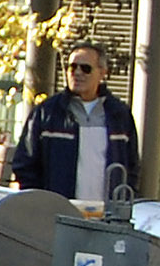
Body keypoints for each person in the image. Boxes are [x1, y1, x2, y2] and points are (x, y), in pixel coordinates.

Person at [10, 43, 140, 204]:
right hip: (59, 214)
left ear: (102, 73)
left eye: (85, 68)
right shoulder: (47, 113)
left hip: (107, 216)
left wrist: (123, 202)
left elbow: (132, 167)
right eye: (72, 67)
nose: (77, 73)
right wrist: (41, 203)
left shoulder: (119, 115)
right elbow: (25, 163)